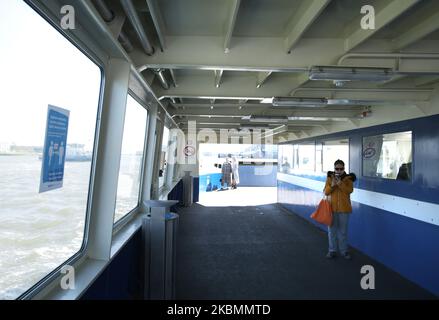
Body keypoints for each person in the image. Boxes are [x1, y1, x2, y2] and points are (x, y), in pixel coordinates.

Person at [323, 159, 356, 260]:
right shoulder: (329, 178)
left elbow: (349, 191)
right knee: (331, 231)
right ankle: (332, 250)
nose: (339, 170)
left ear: (344, 169)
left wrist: (340, 183)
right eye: (337, 168)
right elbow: (326, 192)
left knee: (343, 232)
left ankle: (344, 251)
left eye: (341, 168)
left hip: (344, 209)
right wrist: (333, 185)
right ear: (334, 168)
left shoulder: (349, 178)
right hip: (331, 209)